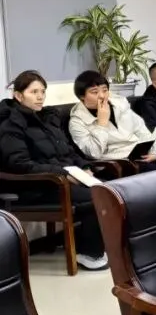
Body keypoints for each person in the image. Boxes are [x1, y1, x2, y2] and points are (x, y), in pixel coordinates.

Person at [0, 70, 107, 270]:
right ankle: (88, 253)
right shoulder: (10, 125)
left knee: (108, 190)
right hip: (34, 188)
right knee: (96, 196)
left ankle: (97, 245)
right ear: (18, 96)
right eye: (34, 92)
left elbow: (68, 152)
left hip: (57, 181)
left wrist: (83, 167)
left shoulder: (47, 119)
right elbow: (19, 164)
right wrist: (64, 173)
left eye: (43, 91)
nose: (40, 97)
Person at [68, 71, 156, 172]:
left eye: (105, 90)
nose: (102, 96)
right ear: (82, 96)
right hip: (117, 164)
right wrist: (101, 124)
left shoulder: (120, 106)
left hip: (139, 156)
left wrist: (154, 152)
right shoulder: (77, 121)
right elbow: (94, 153)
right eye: (94, 92)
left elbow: (143, 131)